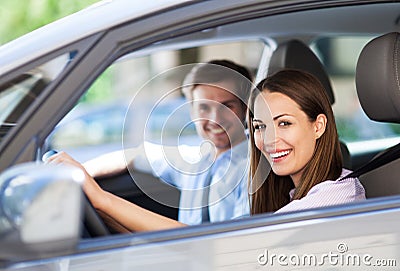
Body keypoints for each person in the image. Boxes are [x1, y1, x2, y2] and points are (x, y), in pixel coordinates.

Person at [48, 59, 253, 231]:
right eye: (204, 108)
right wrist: (79, 175)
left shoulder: (253, 168)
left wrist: (102, 199)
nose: (215, 118)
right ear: (191, 112)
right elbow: (134, 155)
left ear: (244, 109)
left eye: (227, 106)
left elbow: (228, 243)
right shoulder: (193, 160)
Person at [247, 69, 366, 215]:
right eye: (260, 126)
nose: (269, 140)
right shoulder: (289, 194)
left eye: (284, 123)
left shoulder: (339, 195)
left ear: (318, 126)